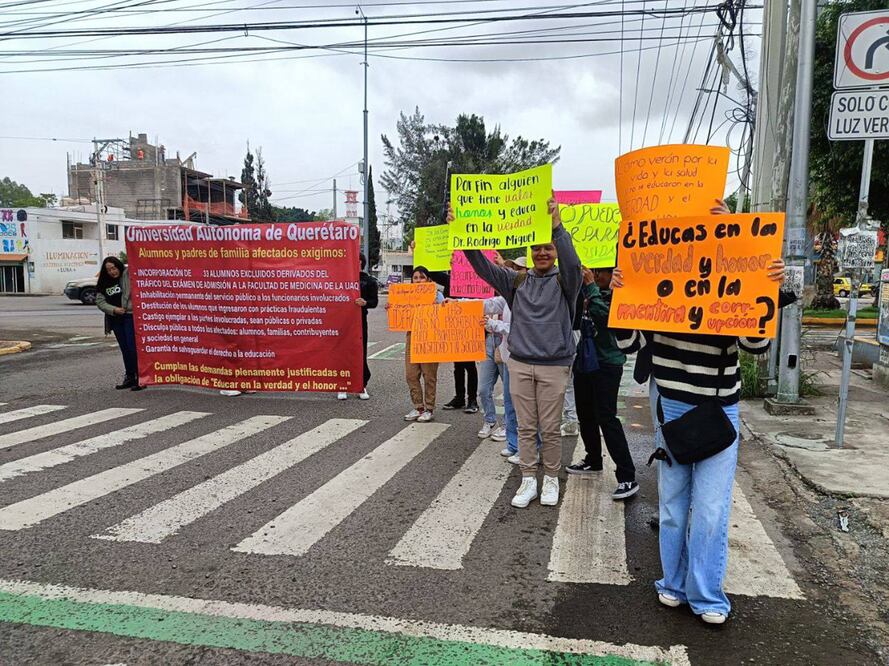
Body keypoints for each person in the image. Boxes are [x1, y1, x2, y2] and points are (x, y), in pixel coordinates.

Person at [610, 255, 786, 625]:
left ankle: (706, 595)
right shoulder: (658, 267)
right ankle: (673, 584)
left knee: (710, 509)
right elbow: (630, 342)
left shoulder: (736, 265)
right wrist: (621, 296)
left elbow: (753, 345)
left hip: (719, 408)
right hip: (671, 404)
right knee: (673, 506)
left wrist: (762, 287)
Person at [453, 198, 582, 508]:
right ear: (529, 252)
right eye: (536, 248)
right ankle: (528, 479)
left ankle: (550, 478)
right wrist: (463, 232)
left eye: (548, 248)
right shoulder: (516, 280)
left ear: (555, 252)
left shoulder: (567, 282)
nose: (542, 253)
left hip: (555, 365)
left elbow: (573, 263)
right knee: (525, 426)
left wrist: (557, 226)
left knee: (550, 427)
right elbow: (483, 268)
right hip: (520, 364)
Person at [566, 266, 638, 500]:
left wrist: (591, 288)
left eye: (602, 272)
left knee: (607, 418)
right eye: (594, 271)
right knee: (585, 414)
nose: (596, 276)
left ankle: (627, 476)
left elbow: (608, 320)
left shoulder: (619, 294)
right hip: (584, 361)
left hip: (608, 363)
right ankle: (593, 459)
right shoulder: (587, 292)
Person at [386, 265, 443, 422]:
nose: (418, 280)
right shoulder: (406, 295)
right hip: (412, 335)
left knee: (429, 374)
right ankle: (418, 406)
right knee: (411, 374)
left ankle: (429, 408)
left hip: (430, 337)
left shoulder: (437, 295)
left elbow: (445, 314)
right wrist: (391, 308)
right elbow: (398, 311)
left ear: (428, 279)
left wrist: (436, 306)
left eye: (422, 277)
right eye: (415, 277)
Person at [96, 256, 143, 391]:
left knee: (132, 347)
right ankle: (129, 376)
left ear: (119, 266)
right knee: (125, 349)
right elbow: (100, 302)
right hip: (115, 318)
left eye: (114, 268)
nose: (112, 272)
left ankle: (140, 377)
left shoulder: (127, 275)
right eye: (108, 270)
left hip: (130, 316)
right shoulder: (104, 283)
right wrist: (114, 310)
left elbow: (137, 261)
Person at [338, 253, 378, 401]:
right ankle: (342, 384)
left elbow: (374, 302)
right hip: (343, 320)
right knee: (343, 351)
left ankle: (361, 384)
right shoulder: (342, 279)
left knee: (360, 351)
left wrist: (365, 302)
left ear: (362, 263)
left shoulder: (369, 281)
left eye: (357, 261)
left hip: (360, 320)